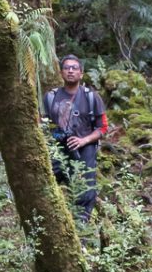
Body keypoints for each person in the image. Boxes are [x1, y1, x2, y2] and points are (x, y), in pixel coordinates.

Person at [43, 54, 108, 222]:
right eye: (66, 68)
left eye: (74, 68)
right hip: (58, 148)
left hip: (84, 149)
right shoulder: (51, 97)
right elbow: (44, 124)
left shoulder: (91, 97)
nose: (70, 71)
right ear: (61, 72)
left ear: (81, 73)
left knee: (85, 190)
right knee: (46, 182)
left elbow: (103, 127)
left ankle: (81, 228)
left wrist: (83, 140)